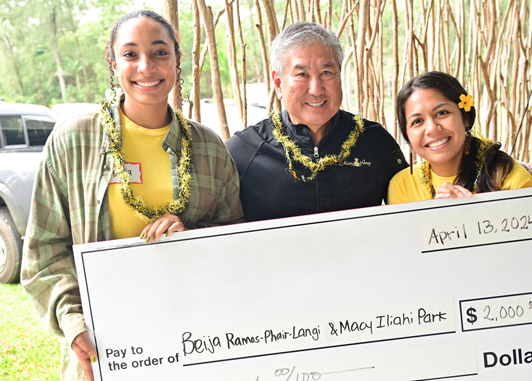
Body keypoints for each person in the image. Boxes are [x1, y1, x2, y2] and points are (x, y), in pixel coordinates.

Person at [21, 10, 243, 381]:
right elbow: (43, 249)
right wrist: (73, 322)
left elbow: (233, 240)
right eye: (130, 54)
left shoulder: (209, 148)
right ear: (113, 63)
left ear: (176, 59)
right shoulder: (73, 140)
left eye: (159, 52)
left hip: (192, 343)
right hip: (104, 349)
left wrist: (189, 232)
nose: (146, 67)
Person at [226, 22, 408, 222]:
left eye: (326, 73)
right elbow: (212, 223)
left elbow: (413, 204)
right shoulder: (243, 152)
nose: (316, 89)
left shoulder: (375, 142)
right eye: (302, 74)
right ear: (278, 83)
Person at [387, 71, 532, 203]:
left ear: (465, 117)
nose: (432, 128)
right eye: (417, 121)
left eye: (442, 113)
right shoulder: (401, 187)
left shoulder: (510, 178)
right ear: (408, 136)